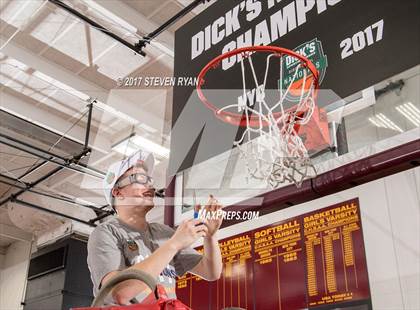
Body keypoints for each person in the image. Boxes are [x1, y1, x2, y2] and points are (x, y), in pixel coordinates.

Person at [87, 150, 223, 305]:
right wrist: (174, 244)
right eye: (140, 178)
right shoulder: (106, 233)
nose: (150, 186)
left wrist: (211, 236)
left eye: (149, 180)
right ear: (118, 192)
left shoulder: (163, 232)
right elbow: (118, 293)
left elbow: (211, 271)